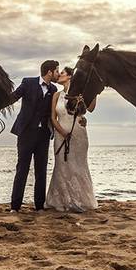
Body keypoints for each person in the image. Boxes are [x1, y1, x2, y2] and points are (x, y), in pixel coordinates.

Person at [8, 60, 61, 212]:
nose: (58, 73)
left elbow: (55, 111)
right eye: (57, 71)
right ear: (49, 72)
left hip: (43, 135)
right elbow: (13, 97)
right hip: (26, 133)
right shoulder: (28, 83)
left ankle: (39, 206)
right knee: (22, 169)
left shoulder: (54, 89)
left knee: (41, 170)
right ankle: (15, 207)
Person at [45, 66, 98, 212]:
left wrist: (93, 92)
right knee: (61, 165)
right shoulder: (56, 95)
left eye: (62, 73)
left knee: (79, 165)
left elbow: (91, 108)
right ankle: (62, 200)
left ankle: (80, 200)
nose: (59, 75)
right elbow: (53, 117)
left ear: (69, 77)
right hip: (60, 134)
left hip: (78, 134)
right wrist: (62, 132)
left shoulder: (79, 94)